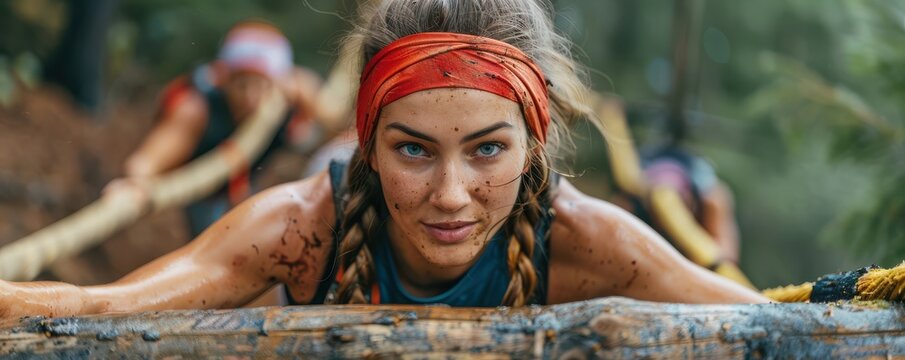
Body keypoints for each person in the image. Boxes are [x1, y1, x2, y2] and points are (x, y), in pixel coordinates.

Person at [0, 0, 769, 319]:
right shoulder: (299, 227)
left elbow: (763, 324)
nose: (451, 195)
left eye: (488, 151)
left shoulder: (586, 239)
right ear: (365, 143)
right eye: (412, 150)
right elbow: (102, 308)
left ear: (534, 144)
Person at [119, 21, 334, 236]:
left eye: (261, 85)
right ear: (224, 78)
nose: (250, 97)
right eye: (242, 84)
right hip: (204, 192)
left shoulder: (297, 93)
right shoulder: (195, 109)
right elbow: (144, 163)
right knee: (214, 235)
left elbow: (331, 117)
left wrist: (307, 120)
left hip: (249, 182)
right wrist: (136, 185)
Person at [611, 146, 741, 264]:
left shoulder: (711, 201)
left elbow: (727, 263)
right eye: (657, 211)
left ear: (692, 199)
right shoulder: (630, 205)